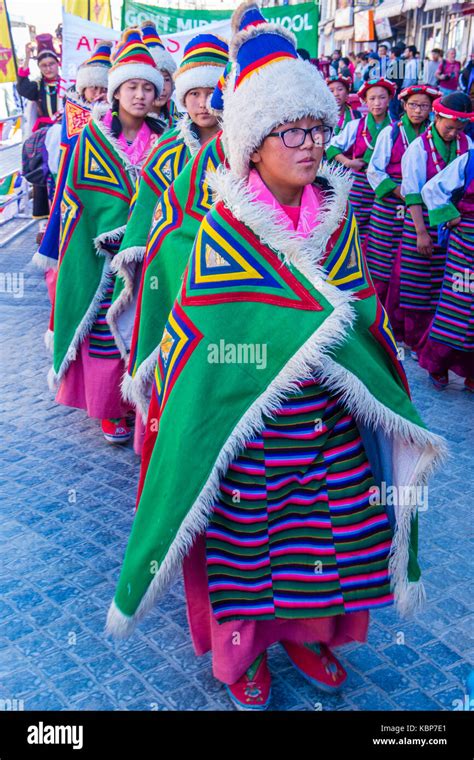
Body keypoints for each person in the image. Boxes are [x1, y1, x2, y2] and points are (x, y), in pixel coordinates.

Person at [106, 3, 446, 712]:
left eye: (318, 128)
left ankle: (306, 631)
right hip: (252, 428)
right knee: (249, 537)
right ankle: (241, 654)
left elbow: (362, 313)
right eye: (291, 131)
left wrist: (377, 370)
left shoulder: (336, 212)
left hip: (328, 417)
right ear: (252, 143)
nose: (310, 144)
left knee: (327, 525)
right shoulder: (225, 227)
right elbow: (205, 333)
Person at [49, 28, 165, 445]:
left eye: (147, 88)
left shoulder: (169, 139)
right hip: (103, 258)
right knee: (104, 333)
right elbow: (74, 198)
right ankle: (111, 410)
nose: (139, 95)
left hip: (150, 255)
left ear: (157, 95)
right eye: (131, 86)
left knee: (144, 330)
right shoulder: (89, 140)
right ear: (116, 92)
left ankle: (142, 408)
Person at [106, 33, 229, 413]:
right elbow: (148, 216)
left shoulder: (246, 147)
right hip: (173, 272)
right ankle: (166, 425)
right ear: (181, 98)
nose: (203, 103)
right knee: (174, 352)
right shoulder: (167, 151)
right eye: (193, 94)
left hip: (233, 276)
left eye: (211, 92)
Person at [390, 93, 473, 355]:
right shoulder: (418, 148)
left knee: (440, 287)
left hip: (450, 224)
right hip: (421, 219)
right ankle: (409, 337)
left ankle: (430, 341)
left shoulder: (466, 143)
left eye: (459, 129)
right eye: (449, 127)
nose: (453, 133)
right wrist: (421, 233)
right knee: (416, 285)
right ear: (437, 118)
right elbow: (413, 193)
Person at [33, 41, 112, 276]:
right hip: (76, 190)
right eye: (93, 88)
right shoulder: (72, 115)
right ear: (83, 90)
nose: (99, 94)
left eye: (103, 87)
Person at [365, 85, 439, 305]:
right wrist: (399, 192)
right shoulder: (391, 132)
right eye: (413, 105)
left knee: (408, 263)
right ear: (404, 106)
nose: (418, 111)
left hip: (418, 206)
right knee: (381, 260)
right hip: (389, 206)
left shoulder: (433, 134)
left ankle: (399, 314)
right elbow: (374, 170)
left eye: (424, 106)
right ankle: (377, 310)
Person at [417, 147, 474, 390]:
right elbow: (432, 189)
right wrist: (451, 215)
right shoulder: (469, 160)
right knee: (457, 307)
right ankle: (436, 364)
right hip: (466, 242)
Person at [326, 77, 395, 243]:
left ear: (390, 99)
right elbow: (332, 147)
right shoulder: (355, 125)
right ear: (364, 101)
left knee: (380, 231)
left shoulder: (397, 128)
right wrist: (348, 162)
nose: (377, 103)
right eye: (372, 98)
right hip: (360, 183)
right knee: (354, 225)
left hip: (386, 186)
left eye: (382, 98)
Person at [17, 34, 62, 226]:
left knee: (62, 172)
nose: (48, 68)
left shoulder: (68, 83)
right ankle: (45, 221)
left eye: (52, 64)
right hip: (44, 135)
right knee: (43, 172)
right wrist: (27, 56)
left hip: (64, 132)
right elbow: (22, 87)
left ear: (58, 64)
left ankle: (63, 213)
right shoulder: (37, 86)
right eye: (44, 65)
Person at [140, 20, 179, 129]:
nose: (161, 87)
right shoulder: (127, 125)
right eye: (155, 79)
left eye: (166, 79)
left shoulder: (183, 125)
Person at [387, 44, 405, 120]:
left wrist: (396, 85)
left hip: (395, 88)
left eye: (390, 53)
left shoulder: (398, 63)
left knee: (394, 109)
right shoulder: (394, 62)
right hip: (392, 88)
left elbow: (399, 77)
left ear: (393, 54)